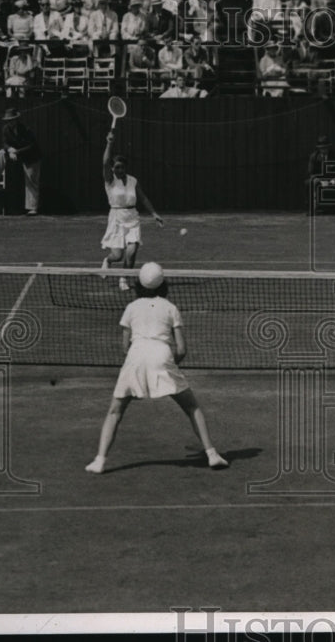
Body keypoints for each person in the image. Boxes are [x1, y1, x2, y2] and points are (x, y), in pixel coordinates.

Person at [85, 261, 229, 474]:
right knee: (192, 407)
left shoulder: (131, 308)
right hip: (162, 356)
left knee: (115, 411)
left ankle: (99, 461)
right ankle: (212, 454)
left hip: (136, 356)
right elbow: (181, 348)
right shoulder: (171, 308)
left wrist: (139, 363)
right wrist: (170, 366)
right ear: (164, 284)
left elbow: (125, 346)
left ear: (139, 284)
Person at [101, 128, 165, 291]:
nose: (119, 170)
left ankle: (123, 278)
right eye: (116, 167)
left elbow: (142, 198)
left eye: (122, 167)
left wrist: (154, 214)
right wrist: (109, 144)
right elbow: (105, 162)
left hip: (132, 219)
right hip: (116, 219)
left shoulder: (133, 181)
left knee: (131, 253)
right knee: (118, 255)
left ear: (126, 167)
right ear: (113, 169)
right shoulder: (109, 180)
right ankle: (107, 261)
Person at [0, 107, 42, 215]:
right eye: (8, 120)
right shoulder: (5, 129)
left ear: (16, 119)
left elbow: (31, 145)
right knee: (1, 153)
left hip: (31, 156)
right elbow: (4, 143)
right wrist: (9, 149)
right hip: (15, 153)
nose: (10, 122)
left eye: (12, 120)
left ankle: (33, 208)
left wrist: (15, 152)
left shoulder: (26, 129)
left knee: (31, 181)